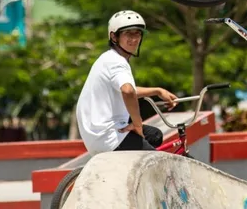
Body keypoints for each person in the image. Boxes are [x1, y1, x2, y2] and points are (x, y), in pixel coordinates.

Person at [75, 10, 178, 154]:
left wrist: (157, 91)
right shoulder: (117, 62)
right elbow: (128, 91)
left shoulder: (108, 58)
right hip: (109, 137)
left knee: (155, 136)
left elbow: (127, 89)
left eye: (138, 33)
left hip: (99, 134)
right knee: (161, 166)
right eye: (128, 33)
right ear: (114, 37)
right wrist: (137, 124)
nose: (134, 39)